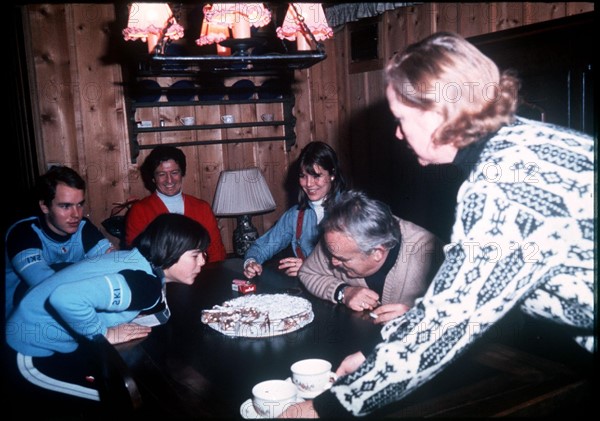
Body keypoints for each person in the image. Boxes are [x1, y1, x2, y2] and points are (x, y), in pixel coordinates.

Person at [281, 31, 594, 418]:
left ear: (437, 114)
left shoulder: (501, 185)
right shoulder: (525, 143)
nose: (397, 133)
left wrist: (323, 408)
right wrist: (377, 353)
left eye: (401, 119)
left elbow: (449, 322)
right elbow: (468, 297)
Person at [5, 213, 210, 402]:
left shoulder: (137, 261)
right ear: (169, 251)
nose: (203, 261)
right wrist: (102, 333)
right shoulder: (145, 284)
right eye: (195, 254)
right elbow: (66, 298)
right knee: (125, 398)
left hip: (58, 343)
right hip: (29, 350)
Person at [298, 190, 443, 324]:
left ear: (377, 253)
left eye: (343, 259)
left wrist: (418, 318)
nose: (332, 262)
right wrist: (343, 292)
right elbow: (308, 272)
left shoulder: (433, 254)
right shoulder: (337, 239)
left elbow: (463, 318)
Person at [4, 165, 114, 318]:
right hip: (21, 325)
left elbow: (115, 267)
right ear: (44, 206)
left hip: (72, 313)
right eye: (65, 206)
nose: (76, 214)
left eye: (80, 204)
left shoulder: (84, 228)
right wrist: (93, 270)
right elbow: (48, 286)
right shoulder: (23, 233)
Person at [243, 141, 346, 279]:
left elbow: (360, 264)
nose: (309, 184)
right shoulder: (296, 215)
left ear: (332, 174)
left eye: (316, 176)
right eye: (303, 176)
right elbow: (263, 246)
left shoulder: (352, 211)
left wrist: (309, 268)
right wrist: (251, 262)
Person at [125, 145, 226, 262]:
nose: (169, 180)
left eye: (174, 172)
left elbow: (216, 252)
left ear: (182, 173)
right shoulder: (140, 211)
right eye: (162, 174)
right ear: (153, 178)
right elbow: (137, 257)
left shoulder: (202, 208)